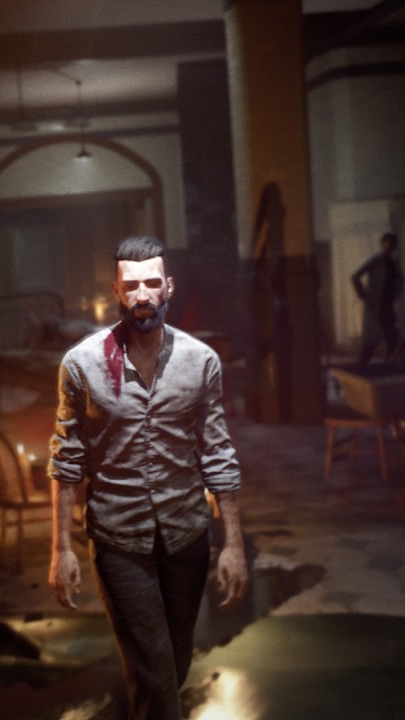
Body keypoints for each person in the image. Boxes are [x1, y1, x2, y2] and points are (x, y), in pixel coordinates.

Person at [47, 235, 248, 720]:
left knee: (171, 667)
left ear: (168, 287)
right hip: (119, 540)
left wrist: (234, 544)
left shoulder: (200, 362)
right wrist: (60, 548)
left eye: (152, 283)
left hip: (187, 535)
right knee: (157, 678)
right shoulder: (82, 365)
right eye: (132, 285)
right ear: (117, 291)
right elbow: (66, 459)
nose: (143, 295)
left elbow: (217, 452)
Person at [352, 232, 403, 365]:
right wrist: (363, 295)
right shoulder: (376, 260)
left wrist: (396, 292)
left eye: (393, 244)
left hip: (387, 305)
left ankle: (388, 366)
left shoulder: (394, 262)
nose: (390, 247)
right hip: (375, 306)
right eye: (387, 243)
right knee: (371, 340)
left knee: (392, 337)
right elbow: (355, 276)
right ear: (382, 244)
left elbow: (400, 279)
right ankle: (361, 367)